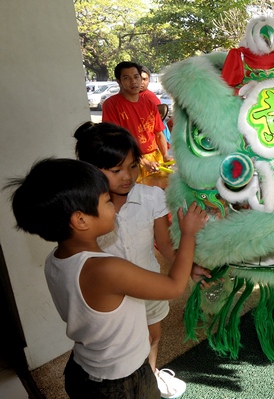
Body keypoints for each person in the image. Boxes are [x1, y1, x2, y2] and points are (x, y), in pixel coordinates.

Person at [4, 157, 208, 398]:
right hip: (119, 382)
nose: (114, 206)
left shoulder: (55, 259)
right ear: (81, 220)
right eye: (108, 201)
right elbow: (174, 287)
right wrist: (188, 234)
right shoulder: (106, 270)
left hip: (84, 368)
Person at [73, 122, 211, 386]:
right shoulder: (85, 209)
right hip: (110, 297)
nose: (127, 176)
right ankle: (126, 382)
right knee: (119, 345)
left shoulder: (151, 197)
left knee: (152, 335)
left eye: (133, 165)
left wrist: (189, 266)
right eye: (116, 170)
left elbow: (164, 244)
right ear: (91, 170)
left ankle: (149, 375)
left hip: (150, 285)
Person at [102, 61, 172, 182]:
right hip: (129, 162)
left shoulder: (150, 104)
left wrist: (165, 155)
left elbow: (159, 134)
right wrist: (141, 161)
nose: (133, 81)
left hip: (155, 160)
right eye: (126, 78)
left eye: (136, 76)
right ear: (119, 82)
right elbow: (116, 141)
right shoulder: (111, 104)